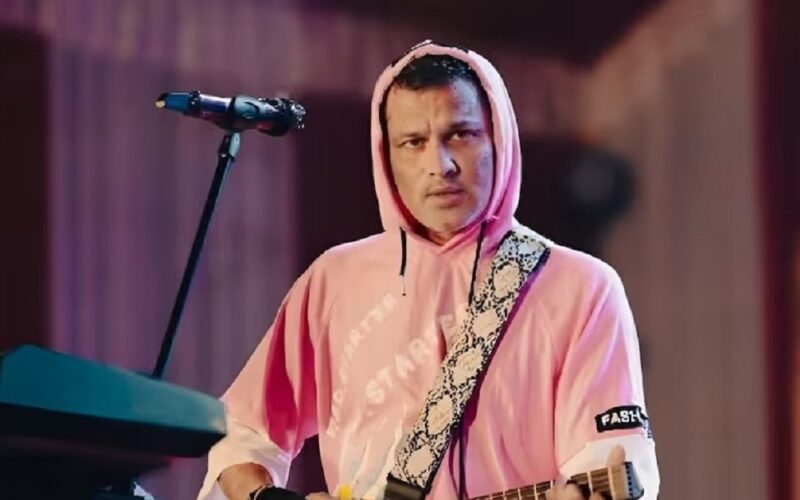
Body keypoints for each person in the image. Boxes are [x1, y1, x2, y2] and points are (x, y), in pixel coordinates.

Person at [198, 41, 660, 500]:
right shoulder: (333, 280)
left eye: (460, 134)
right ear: (386, 156)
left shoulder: (581, 287)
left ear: (498, 139)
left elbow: (610, 465)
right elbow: (240, 431)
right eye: (413, 142)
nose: (440, 166)